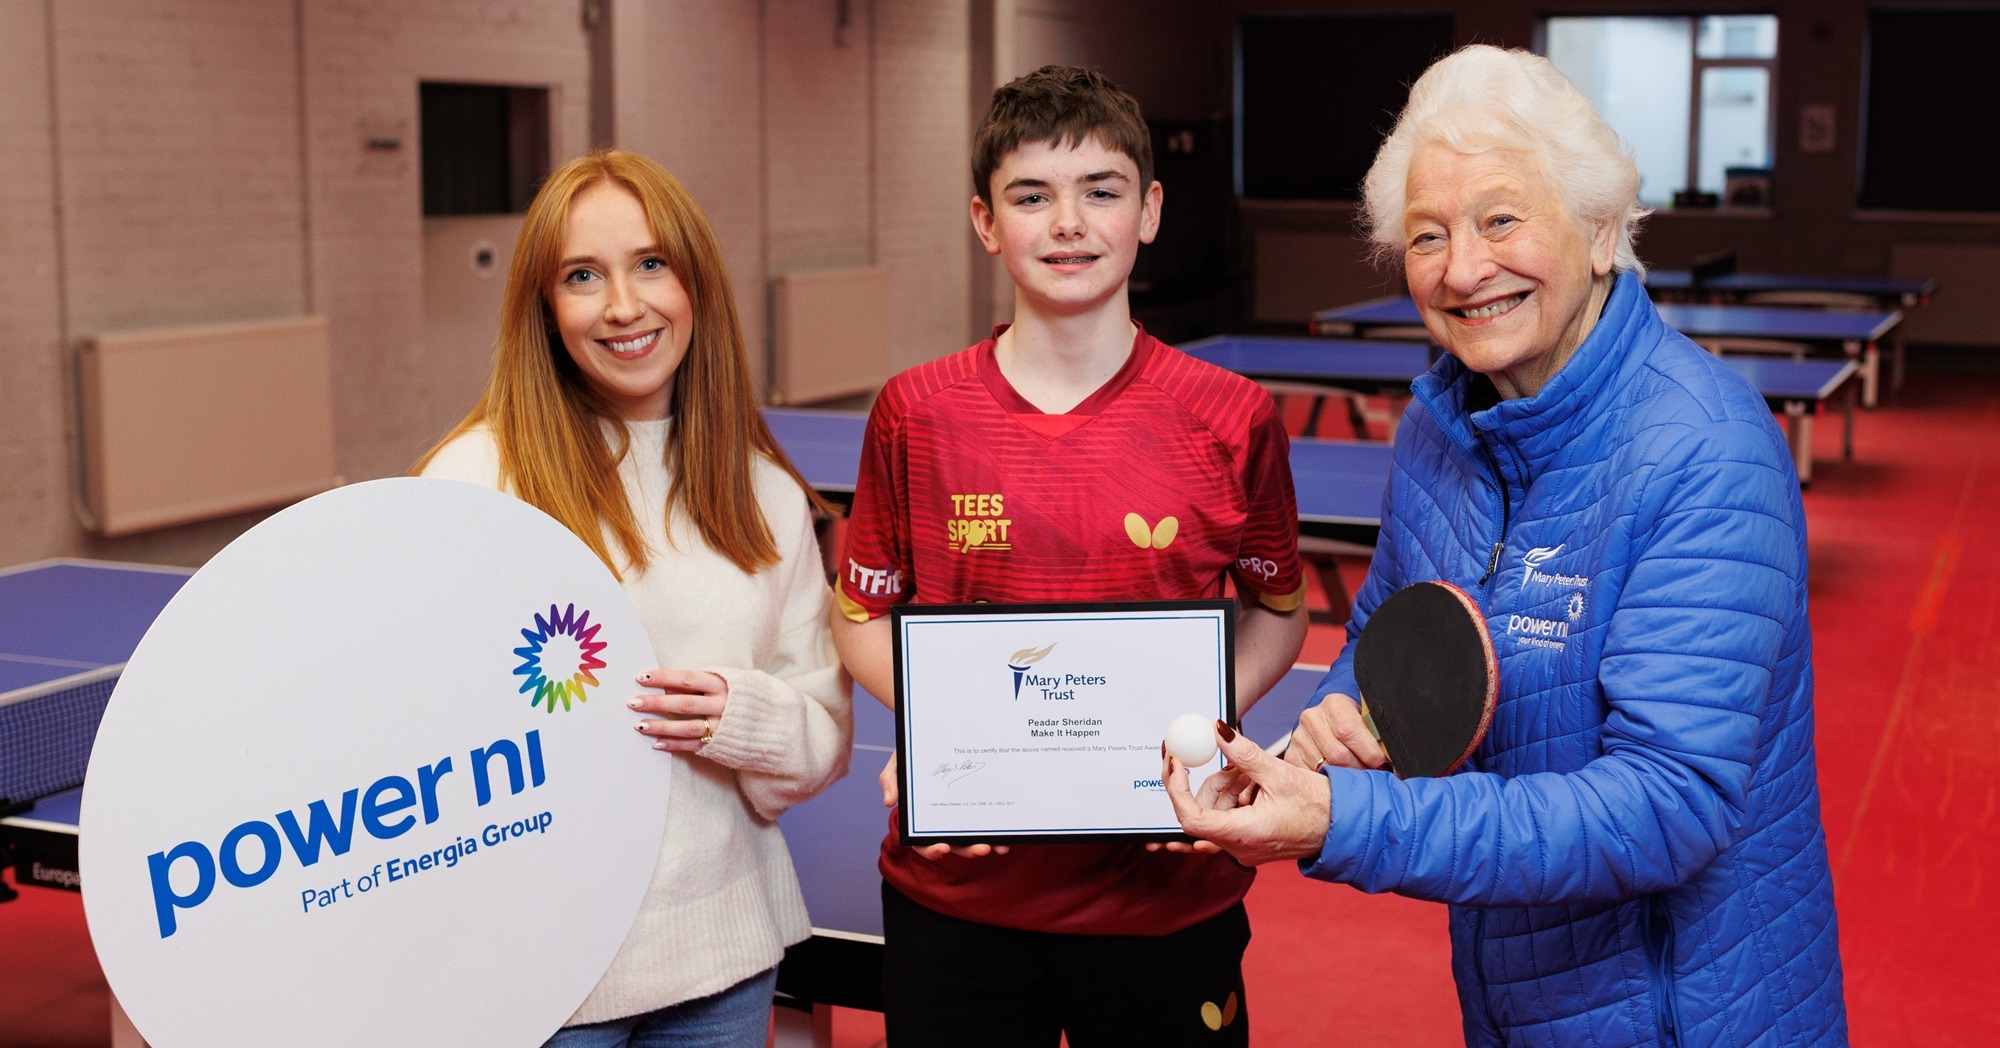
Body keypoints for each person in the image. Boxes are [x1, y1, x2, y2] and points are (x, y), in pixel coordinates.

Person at [1165, 45, 1848, 1046]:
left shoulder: (1706, 450)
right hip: (1511, 998)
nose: (1461, 267)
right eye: (1427, 234)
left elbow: (1665, 806)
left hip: (1681, 1018)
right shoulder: (1438, 429)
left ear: (1601, 229)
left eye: (1499, 219)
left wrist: (1339, 821)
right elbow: (1382, 635)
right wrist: (1329, 729)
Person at [829, 65, 1309, 1047]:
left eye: (1100, 190)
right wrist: (938, 735)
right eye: (1030, 196)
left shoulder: (1230, 417)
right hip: (954, 893)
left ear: (1149, 210)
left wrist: (1200, 727)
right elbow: (856, 615)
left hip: (1166, 898)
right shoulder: (915, 412)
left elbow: (1278, 609)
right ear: (983, 220)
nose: (1067, 223)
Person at [415, 148, 852, 1047]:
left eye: (651, 263)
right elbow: (407, 727)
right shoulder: (475, 479)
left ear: (696, 284)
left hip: (722, 967)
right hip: (537, 979)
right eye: (583, 275)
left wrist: (749, 715)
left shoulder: (765, 492)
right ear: (544, 306)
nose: (623, 305)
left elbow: (822, 745)